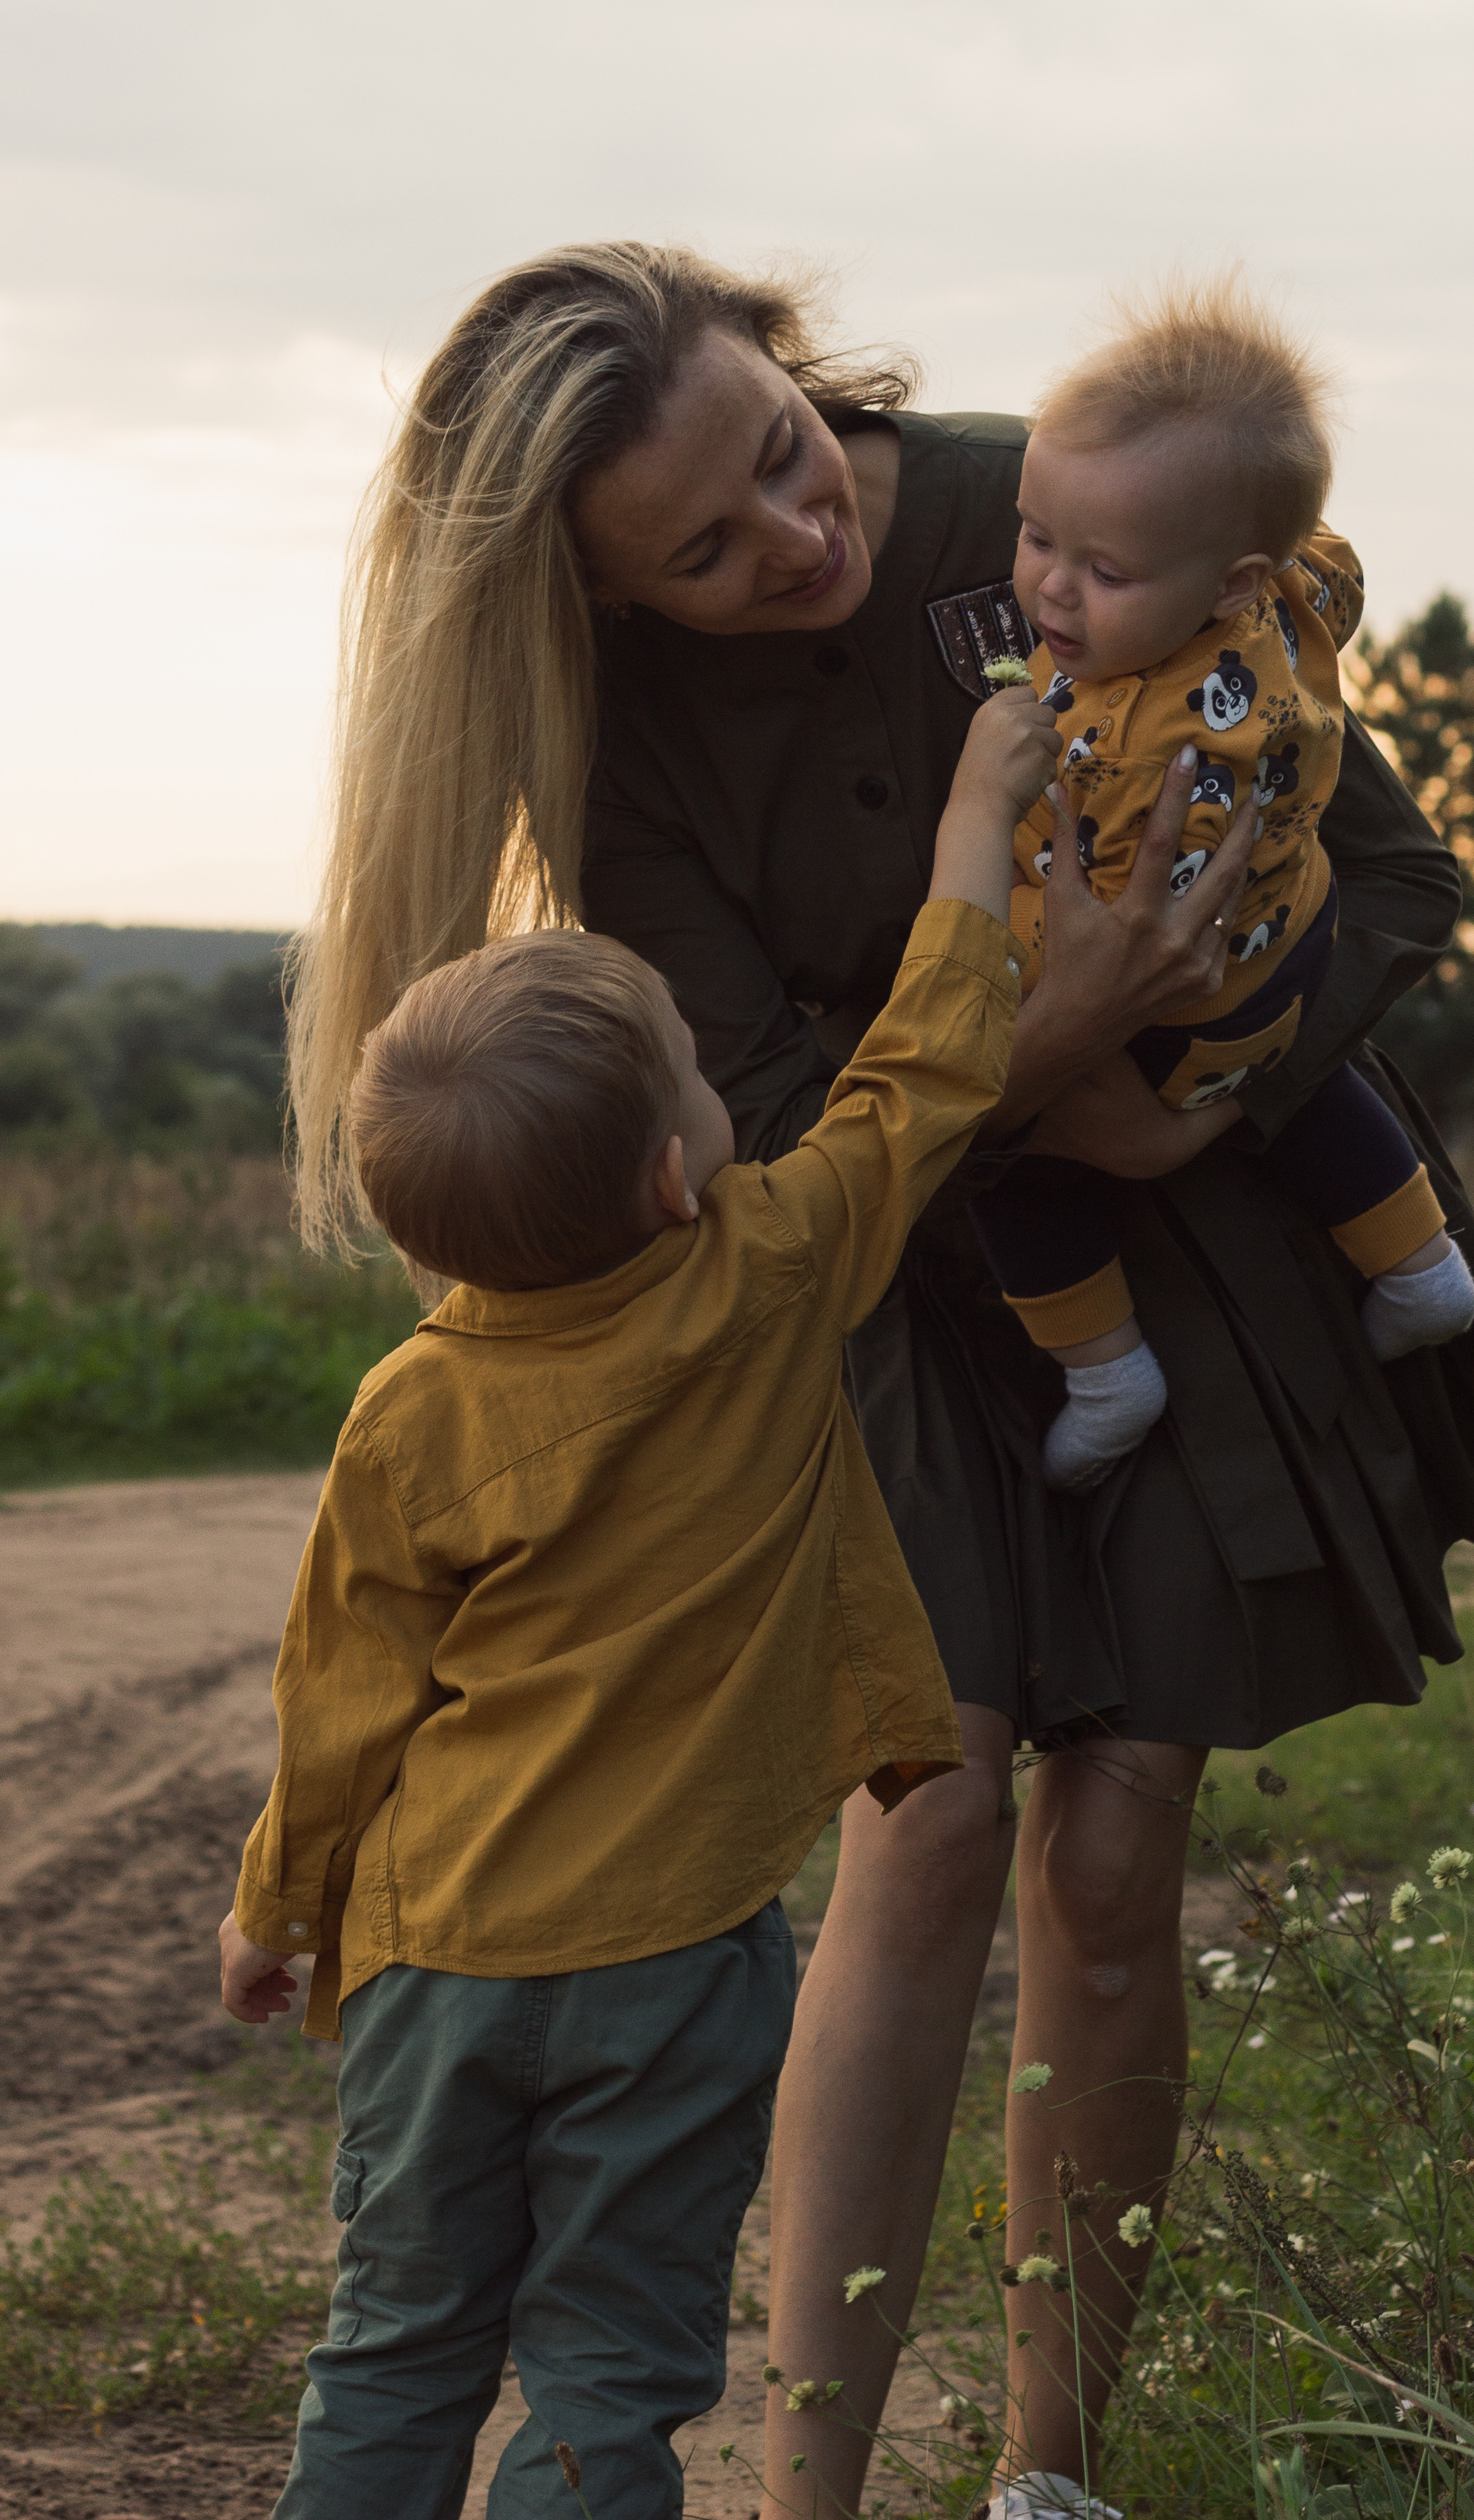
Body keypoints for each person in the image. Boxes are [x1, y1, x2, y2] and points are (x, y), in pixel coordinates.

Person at [285, 243, 1474, 2519]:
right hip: (882, 1287)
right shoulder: (609, 751)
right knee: (921, 1821)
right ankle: (809, 2484)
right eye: (702, 549)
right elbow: (783, 1116)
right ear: (596, 593)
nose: (788, 542)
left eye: (786, 464)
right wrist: (1055, 1041)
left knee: (1115, 1838)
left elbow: (1372, 869)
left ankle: (1047, 2473)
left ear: (798, 372)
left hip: (1186, 1243)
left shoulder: (1068, 501)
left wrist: (1192, 1098)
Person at [218, 679, 1147, 2518]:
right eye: (695, 1076)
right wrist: (976, 813)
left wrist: (280, 1906)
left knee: (395, 2340)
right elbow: (924, 1069)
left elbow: (340, 1698)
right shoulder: (771, 1270)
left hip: (435, 1964)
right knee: (608, 2368)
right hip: (669, 1966)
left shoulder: (407, 1409)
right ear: (672, 1173)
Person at [969, 283, 1474, 1492]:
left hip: (1171, 992)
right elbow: (1331, 562)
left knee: (1015, 1151)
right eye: (1038, 536)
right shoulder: (1299, 599)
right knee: (1305, 1079)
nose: (1050, 592)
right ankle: (1416, 1264)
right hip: (1293, 934)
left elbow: (1077, 911)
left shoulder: (1129, 753)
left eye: (1106, 571)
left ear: (1228, 581)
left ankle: (1104, 1368)